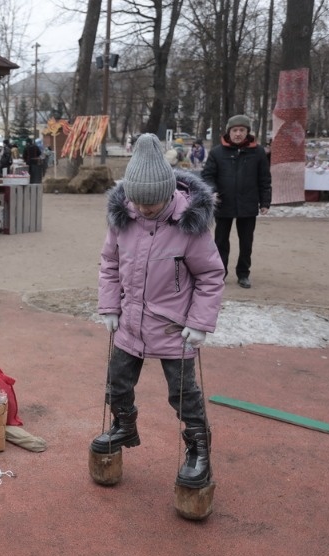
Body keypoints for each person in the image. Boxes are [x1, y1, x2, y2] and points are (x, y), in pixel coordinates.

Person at [93, 133, 225, 491]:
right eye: (138, 202)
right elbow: (109, 263)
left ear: (169, 192)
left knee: (182, 393)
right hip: (129, 323)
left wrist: (199, 324)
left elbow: (211, 276)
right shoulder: (123, 219)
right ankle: (123, 424)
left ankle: (198, 449)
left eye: (153, 202)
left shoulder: (190, 226)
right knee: (117, 382)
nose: (145, 209)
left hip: (173, 327)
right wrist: (109, 306)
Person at [201, 114, 271, 289]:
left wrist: (265, 202)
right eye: (235, 130)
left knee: (246, 242)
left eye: (242, 130)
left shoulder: (259, 152)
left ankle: (243, 273)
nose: (238, 134)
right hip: (224, 203)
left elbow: (264, 178)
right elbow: (208, 175)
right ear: (229, 132)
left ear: (247, 132)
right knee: (221, 241)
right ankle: (219, 273)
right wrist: (213, 191)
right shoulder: (217, 152)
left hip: (248, 204)